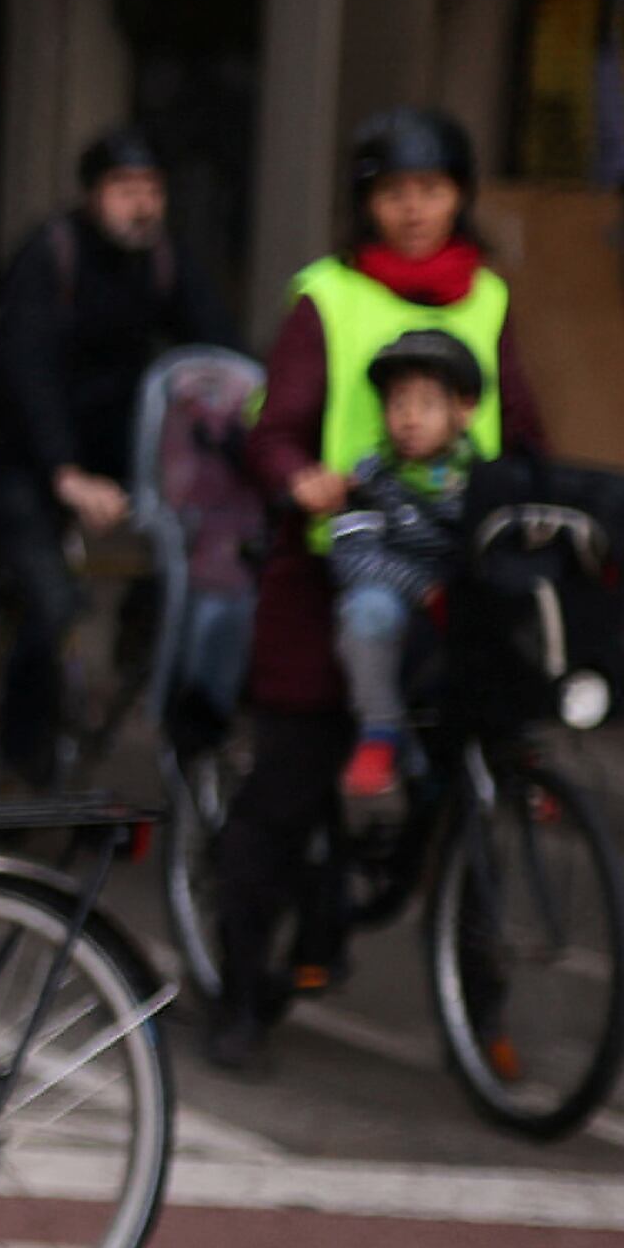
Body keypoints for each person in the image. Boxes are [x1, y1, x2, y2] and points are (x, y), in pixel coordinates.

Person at [201, 106, 545, 1067]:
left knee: (483, 784)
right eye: (395, 193)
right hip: (332, 569)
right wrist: (296, 477)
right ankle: (239, 994)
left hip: (450, 576)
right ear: (368, 204)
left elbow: (522, 431)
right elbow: (272, 429)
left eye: (432, 190)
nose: (415, 209)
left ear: (459, 197)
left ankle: (485, 1010)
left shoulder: (488, 299)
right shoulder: (329, 297)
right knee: (286, 787)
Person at [0, 123, 228, 784]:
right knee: (50, 606)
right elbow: (27, 371)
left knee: (188, 574)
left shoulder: (165, 260)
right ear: (91, 195)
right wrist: (65, 473)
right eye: (123, 188)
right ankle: (22, 767)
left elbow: (212, 352)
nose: (140, 204)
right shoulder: (49, 254)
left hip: (116, 458)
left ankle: (126, 697)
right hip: (25, 458)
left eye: (151, 189)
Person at [323, 325, 488, 828]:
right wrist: (423, 590)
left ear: (464, 411)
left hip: (459, 619)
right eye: (398, 404)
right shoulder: (372, 478)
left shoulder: (483, 480)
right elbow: (353, 558)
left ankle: (509, 750)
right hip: (400, 622)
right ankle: (380, 733)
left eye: (427, 404)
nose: (410, 419)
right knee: (366, 609)